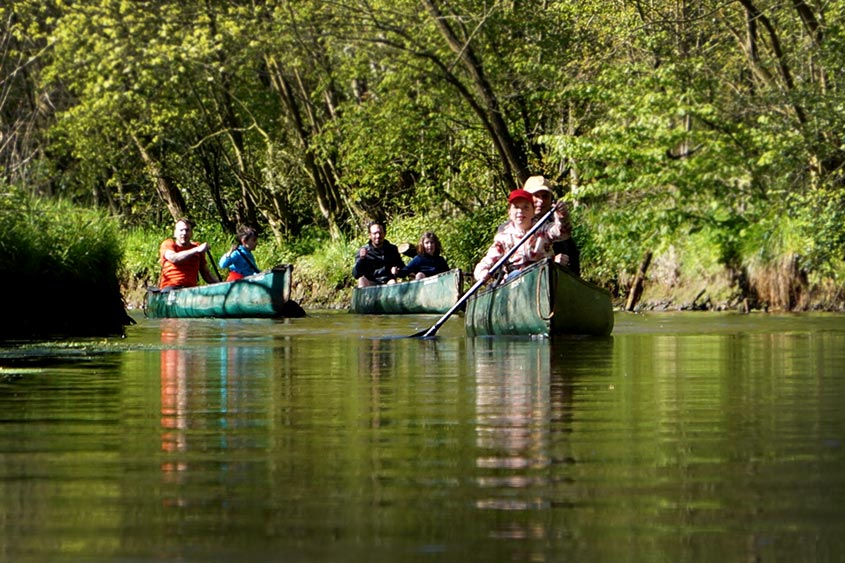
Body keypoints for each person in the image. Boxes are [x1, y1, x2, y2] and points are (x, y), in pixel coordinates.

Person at [473, 189, 570, 283]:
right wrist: (482, 273)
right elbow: (487, 261)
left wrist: (562, 216)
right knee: (515, 274)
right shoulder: (503, 238)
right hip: (516, 284)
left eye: (526, 207)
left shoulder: (543, 229)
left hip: (542, 277)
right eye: (516, 207)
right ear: (510, 213)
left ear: (533, 212)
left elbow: (562, 232)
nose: (520, 211)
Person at [523, 175, 581, 276]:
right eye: (536, 196)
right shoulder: (511, 228)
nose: (541, 201)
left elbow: (573, 265)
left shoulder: (555, 228)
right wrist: (550, 261)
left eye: (545, 196)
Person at [159, 218, 220, 290]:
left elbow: (206, 274)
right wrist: (196, 250)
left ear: (191, 233)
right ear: (175, 233)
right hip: (171, 288)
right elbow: (174, 258)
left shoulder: (197, 247)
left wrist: (223, 284)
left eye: (187, 230)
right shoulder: (168, 244)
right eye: (181, 230)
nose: (184, 233)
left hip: (191, 290)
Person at [352, 220, 405, 287]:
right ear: (370, 235)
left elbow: (403, 269)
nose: (378, 236)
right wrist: (361, 259)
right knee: (361, 280)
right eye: (375, 233)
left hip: (388, 282)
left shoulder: (392, 249)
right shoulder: (363, 251)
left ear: (385, 233)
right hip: (371, 283)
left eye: (380, 233)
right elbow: (355, 274)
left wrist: (397, 271)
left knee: (393, 282)